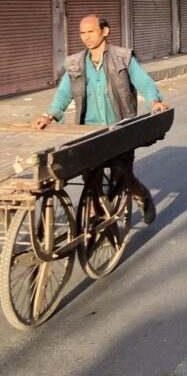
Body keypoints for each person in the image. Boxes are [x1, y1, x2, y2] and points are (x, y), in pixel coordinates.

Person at [34, 15, 169, 224]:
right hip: (88, 131)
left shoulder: (122, 58)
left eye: (91, 31)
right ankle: (96, 219)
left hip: (119, 129)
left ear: (105, 31)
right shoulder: (75, 63)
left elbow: (144, 82)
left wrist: (154, 102)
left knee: (122, 176)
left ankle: (142, 195)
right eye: (82, 33)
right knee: (90, 178)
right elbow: (63, 93)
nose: (86, 37)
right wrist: (49, 115)